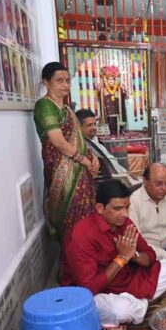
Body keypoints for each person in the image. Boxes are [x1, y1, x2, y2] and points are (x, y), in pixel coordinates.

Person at [61, 180, 166, 326]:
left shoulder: (125, 223)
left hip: (129, 280)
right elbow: (89, 289)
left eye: (127, 207)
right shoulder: (81, 235)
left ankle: (139, 303)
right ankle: (145, 302)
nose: (125, 214)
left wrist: (135, 257)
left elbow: (149, 254)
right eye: (118, 208)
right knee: (121, 311)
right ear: (100, 208)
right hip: (100, 294)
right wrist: (121, 258)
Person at [33, 62, 99, 241]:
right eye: (59, 80)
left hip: (80, 170)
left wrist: (92, 157)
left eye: (67, 80)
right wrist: (85, 161)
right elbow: (58, 142)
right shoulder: (44, 105)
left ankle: (84, 252)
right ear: (46, 83)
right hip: (60, 173)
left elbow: (79, 139)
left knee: (84, 219)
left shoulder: (67, 109)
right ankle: (71, 255)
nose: (65, 85)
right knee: (67, 219)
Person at [75, 109, 130, 177]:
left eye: (95, 124)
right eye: (89, 125)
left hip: (122, 175)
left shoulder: (95, 142)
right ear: (78, 127)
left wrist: (126, 173)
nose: (94, 128)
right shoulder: (83, 146)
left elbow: (112, 162)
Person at [98, 65, 127, 136]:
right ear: (106, 80)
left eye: (112, 79)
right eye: (109, 79)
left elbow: (123, 100)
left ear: (115, 80)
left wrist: (123, 92)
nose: (111, 81)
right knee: (109, 126)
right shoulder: (103, 90)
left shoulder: (119, 89)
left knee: (117, 126)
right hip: (107, 112)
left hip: (118, 113)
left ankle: (119, 132)